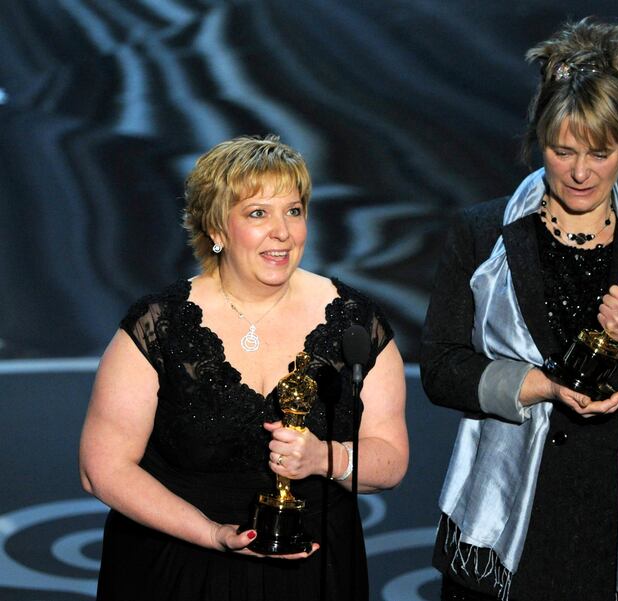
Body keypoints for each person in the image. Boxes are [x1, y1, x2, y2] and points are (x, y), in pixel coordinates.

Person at [420, 17, 618, 601]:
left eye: (600, 153)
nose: (581, 172)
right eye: (563, 151)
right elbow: (440, 369)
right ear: (539, 141)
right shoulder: (483, 236)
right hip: (498, 518)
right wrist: (542, 387)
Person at [79, 134, 408, 600]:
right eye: (258, 213)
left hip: (313, 572)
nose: (283, 231)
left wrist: (321, 458)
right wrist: (212, 533)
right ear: (215, 229)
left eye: (294, 211)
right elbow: (103, 469)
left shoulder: (356, 322)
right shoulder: (161, 325)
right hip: (177, 568)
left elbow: (390, 462)